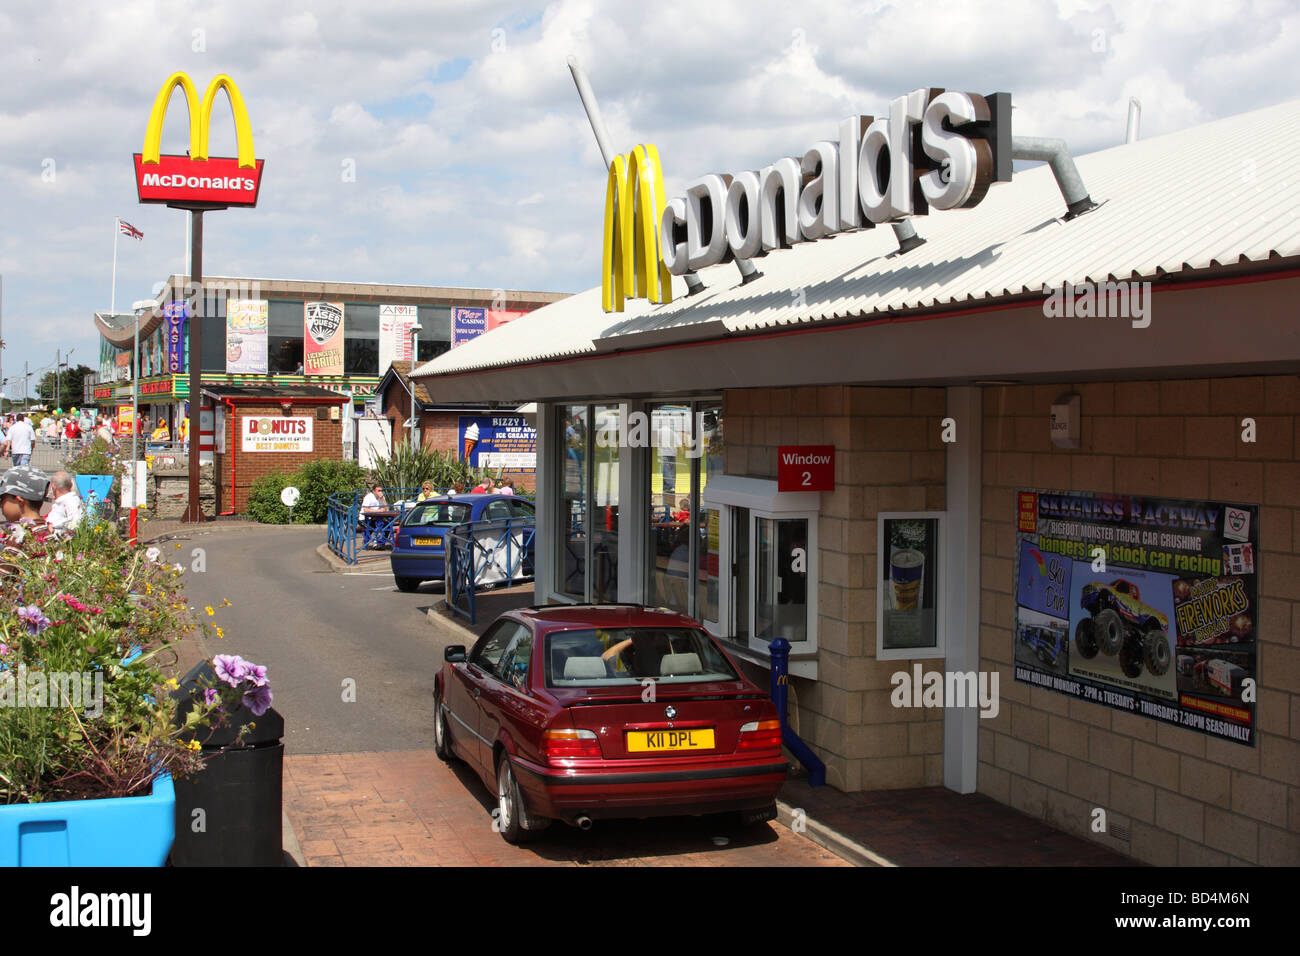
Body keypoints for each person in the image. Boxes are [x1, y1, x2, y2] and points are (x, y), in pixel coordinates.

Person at [0, 465, 51, 534]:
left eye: (2, 498)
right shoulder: (46, 531)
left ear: (19, 500)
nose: (1, 504)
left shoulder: (28, 540)